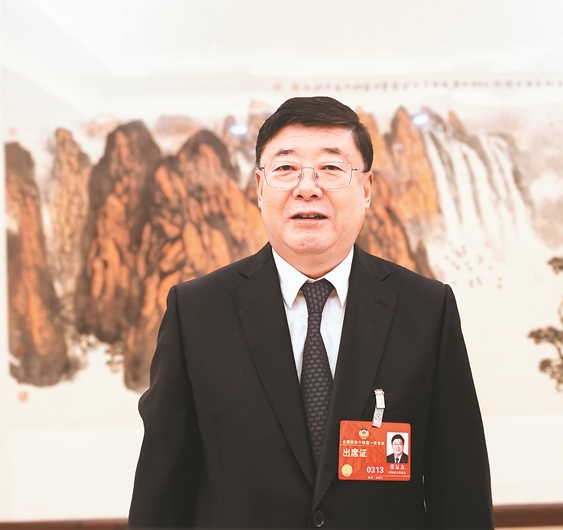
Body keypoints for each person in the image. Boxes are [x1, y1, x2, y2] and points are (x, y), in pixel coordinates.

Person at [128, 96, 493, 529]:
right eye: (286, 168)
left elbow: (461, 491)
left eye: (331, 167)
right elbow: (160, 494)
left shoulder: (426, 309)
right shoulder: (196, 312)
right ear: (259, 186)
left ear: (366, 188)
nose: (307, 187)